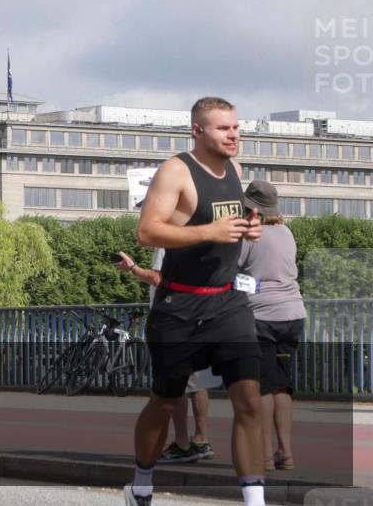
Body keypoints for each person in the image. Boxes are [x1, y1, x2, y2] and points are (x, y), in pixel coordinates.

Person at [126, 97, 265, 506]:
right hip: (179, 308)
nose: (234, 135)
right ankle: (141, 483)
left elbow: (229, 224)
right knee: (165, 401)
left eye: (236, 127)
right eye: (223, 128)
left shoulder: (236, 171)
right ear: (198, 131)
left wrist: (248, 228)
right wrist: (210, 232)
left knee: (250, 400)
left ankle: (254, 501)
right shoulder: (176, 171)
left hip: (227, 303)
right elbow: (147, 233)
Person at [114, 249, 218, 463]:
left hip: (173, 317)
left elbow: (158, 278)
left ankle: (182, 443)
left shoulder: (167, 243)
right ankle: (201, 439)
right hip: (199, 314)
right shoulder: (200, 237)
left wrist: (133, 268)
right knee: (198, 381)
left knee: (174, 381)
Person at [238, 180, 306, 472]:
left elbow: (236, 275)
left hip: (262, 318)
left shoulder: (249, 235)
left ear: (251, 208)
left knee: (262, 388)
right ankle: (286, 454)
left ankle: (263, 454)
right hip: (293, 314)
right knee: (282, 387)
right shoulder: (287, 232)